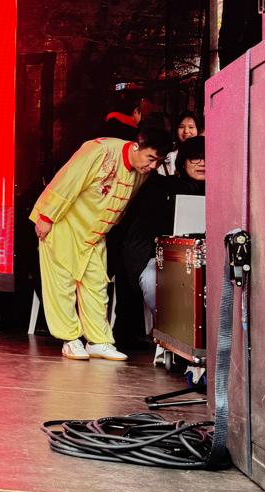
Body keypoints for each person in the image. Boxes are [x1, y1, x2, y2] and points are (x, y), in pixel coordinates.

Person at [32, 119, 174, 361]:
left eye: (159, 162)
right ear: (137, 145)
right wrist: (46, 215)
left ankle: (98, 340)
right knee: (62, 284)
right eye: (150, 158)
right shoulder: (101, 150)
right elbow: (69, 179)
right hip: (65, 224)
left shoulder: (142, 172)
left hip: (95, 234)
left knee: (97, 286)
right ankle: (70, 339)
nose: (153, 166)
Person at [118, 134, 206, 337]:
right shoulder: (161, 188)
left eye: (206, 158)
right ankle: (177, 332)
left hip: (207, 262)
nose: (201, 163)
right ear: (183, 162)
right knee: (151, 279)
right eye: (195, 158)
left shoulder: (223, 191)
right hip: (165, 259)